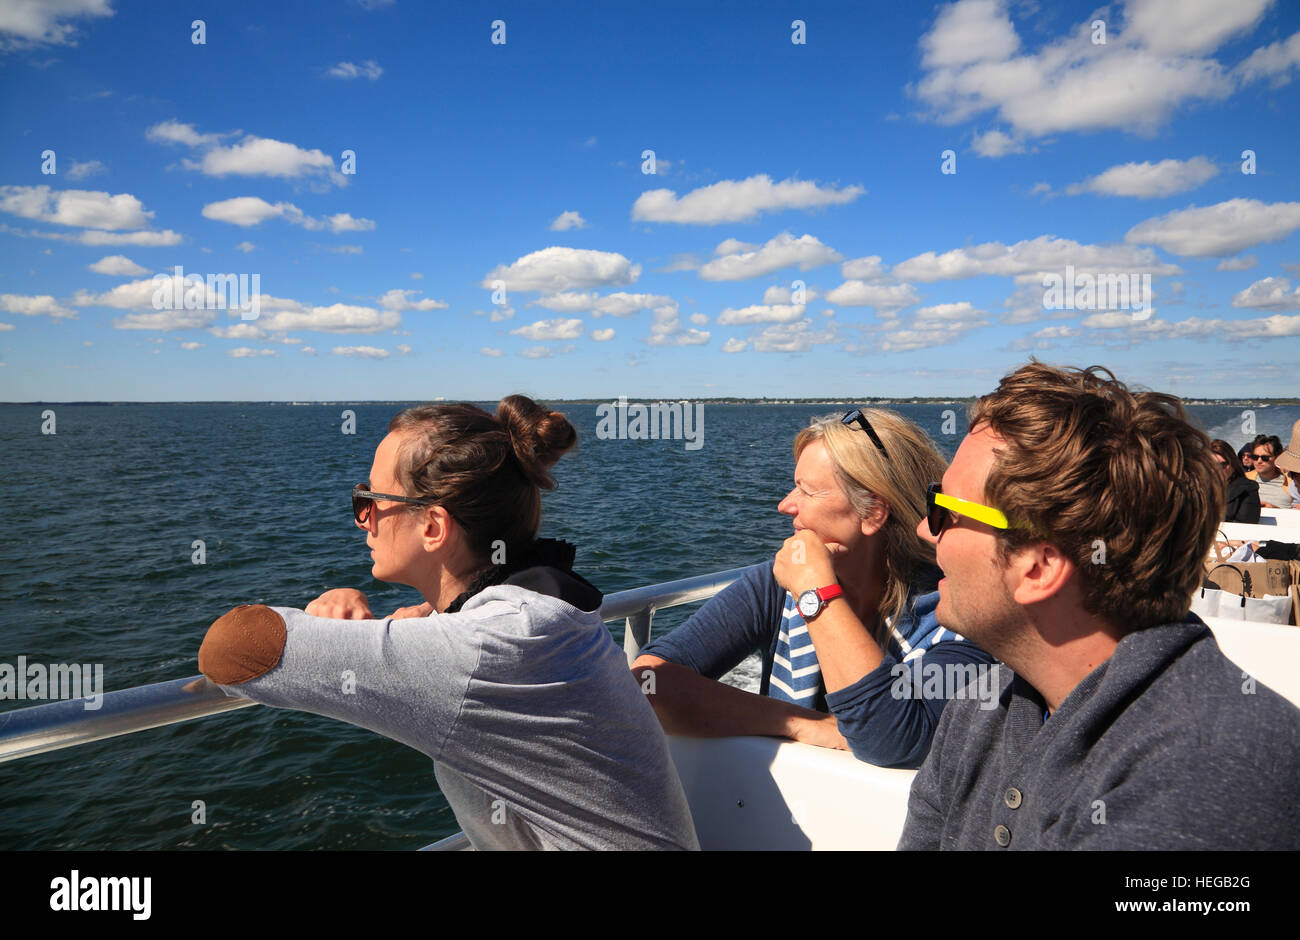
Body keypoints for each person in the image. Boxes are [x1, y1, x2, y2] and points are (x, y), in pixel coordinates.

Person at [198, 395, 698, 851]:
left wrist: (328, 622)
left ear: (434, 527)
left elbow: (232, 651)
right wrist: (437, 619)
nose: (363, 519)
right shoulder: (532, 615)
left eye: (370, 501)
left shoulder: (490, 647)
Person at [898, 363, 1300, 850]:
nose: (925, 529)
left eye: (944, 509)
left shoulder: (1212, 775)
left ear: (1039, 566)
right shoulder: (982, 710)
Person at [632, 408, 996, 770]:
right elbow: (647, 681)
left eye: (806, 491)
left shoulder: (957, 613)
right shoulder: (774, 589)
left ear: (872, 513)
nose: (785, 504)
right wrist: (803, 724)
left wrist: (816, 593)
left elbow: (893, 739)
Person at [1210, 439, 1260, 524]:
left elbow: (1246, 526)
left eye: (1222, 465)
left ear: (1233, 464)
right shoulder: (1197, 488)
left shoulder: (1248, 489)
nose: (1217, 469)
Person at [1250, 434, 1294, 509]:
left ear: (1277, 458)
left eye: (1265, 458)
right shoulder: (1243, 479)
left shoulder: (1293, 483)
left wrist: (1275, 510)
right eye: (1255, 457)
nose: (1259, 461)